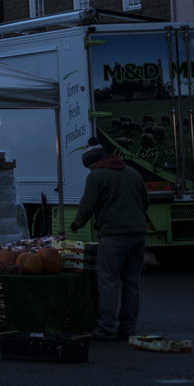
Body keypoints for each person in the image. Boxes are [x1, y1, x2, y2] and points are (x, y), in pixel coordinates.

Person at [69, 142, 148, 339]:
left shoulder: (96, 176)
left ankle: (106, 327)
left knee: (108, 281)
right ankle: (128, 327)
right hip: (139, 235)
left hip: (113, 236)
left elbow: (87, 206)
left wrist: (75, 225)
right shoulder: (133, 173)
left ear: (91, 163)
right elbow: (145, 202)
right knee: (131, 283)